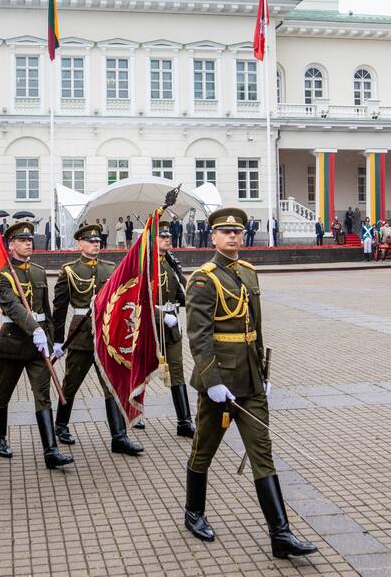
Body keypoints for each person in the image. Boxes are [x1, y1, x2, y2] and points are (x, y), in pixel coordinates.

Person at [182, 207, 316, 559]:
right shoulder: (203, 278)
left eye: (237, 232)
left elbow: (254, 329)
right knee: (203, 450)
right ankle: (194, 512)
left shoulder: (249, 272)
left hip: (251, 381)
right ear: (212, 237)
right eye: (225, 232)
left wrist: (262, 373)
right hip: (220, 382)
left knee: (262, 453)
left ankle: (280, 534)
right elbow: (198, 335)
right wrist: (211, 380)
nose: (232, 237)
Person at [52, 224, 143, 456]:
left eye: (97, 241)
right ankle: (60, 426)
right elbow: (60, 308)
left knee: (111, 386)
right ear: (79, 244)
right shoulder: (69, 271)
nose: (95, 244)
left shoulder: (111, 269)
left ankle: (119, 437)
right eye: (90, 241)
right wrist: (57, 341)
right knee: (71, 382)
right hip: (80, 336)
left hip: (106, 336)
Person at [0, 221, 72, 469]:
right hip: (14, 342)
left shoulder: (37, 272)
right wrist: (34, 329)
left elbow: (46, 310)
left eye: (30, 240)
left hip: (38, 347)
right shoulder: (2, 276)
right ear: (11, 245)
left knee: (43, 396)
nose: (28, 243)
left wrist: (53, 338)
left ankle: (50, 451)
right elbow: (13, 308)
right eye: (22, 240)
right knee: (4, 392)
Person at [157, 221, 195, 437]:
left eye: (168, 236)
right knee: (141, 371)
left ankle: (184, 421)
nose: (167, 238)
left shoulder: (171, 264)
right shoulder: (147, 265)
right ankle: (134, 414)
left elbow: (181, 294)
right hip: (151, 328)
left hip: (172, 328)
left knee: (177, 371)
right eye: (162, 237)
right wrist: (161, 315)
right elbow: (139, 300)